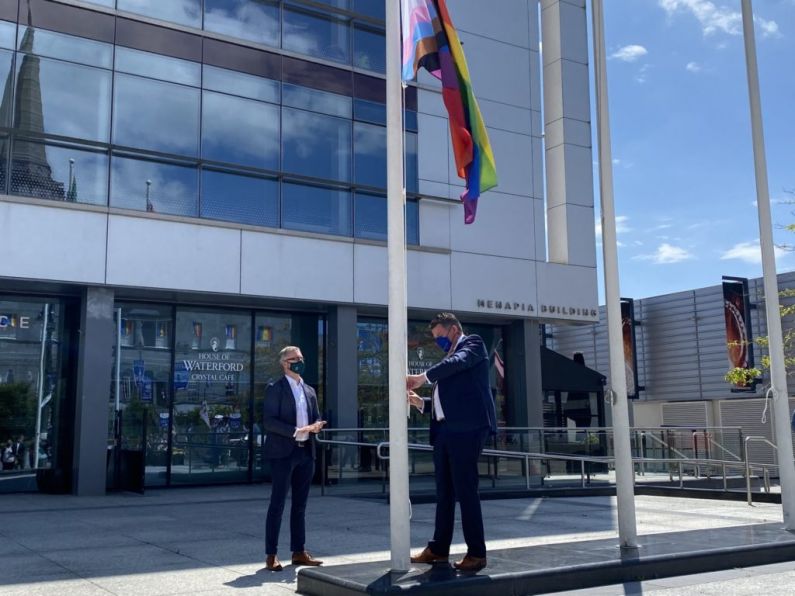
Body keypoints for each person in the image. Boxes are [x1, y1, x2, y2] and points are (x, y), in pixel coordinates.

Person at [406, 312, 497, 572]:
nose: (438, 343)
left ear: (454, 329)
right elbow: (447, 402)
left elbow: (458, 363)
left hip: (468, 430)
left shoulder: (473, 344)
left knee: (466, 490)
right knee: (444, 492)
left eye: (440, 337)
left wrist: (421, 378)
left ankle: (477, 553)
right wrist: (420, 403)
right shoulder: (448, 359)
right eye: (435, 339)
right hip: (446, 431)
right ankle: (438, 549)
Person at [262, 345, 326, 571]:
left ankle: (299, 551)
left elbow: (316, 415)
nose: (299, 361)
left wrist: (317, 425)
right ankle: (271, 554)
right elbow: (269, 421)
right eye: (294, 358)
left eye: (301, 357)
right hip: (283, 453)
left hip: (305, 452)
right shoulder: (275, 388)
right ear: (284, 363)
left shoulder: (308, 390)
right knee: (277, 504)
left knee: (300, 505)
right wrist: (296, 430)